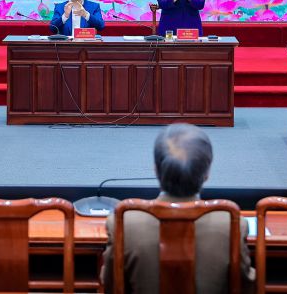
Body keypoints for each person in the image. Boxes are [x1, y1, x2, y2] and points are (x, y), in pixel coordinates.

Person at [101, 123, 255, 294]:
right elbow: (245, 285)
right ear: (207, 174)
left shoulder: (123, 224)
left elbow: (110, 285)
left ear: (155, 170)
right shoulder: (232, 225)